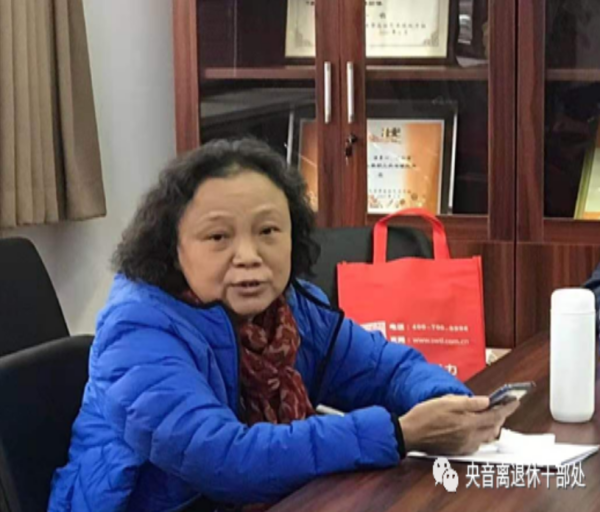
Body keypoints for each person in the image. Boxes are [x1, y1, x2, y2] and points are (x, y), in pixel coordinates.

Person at [48, 139, 518, 512]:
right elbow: (227, 460)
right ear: (173, 248)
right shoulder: (137, 329)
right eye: (218, 236)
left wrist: (451, 405)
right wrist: (400, 434)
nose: (249, 256)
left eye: (268, 231)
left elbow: (387, 369)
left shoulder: (292, 309)